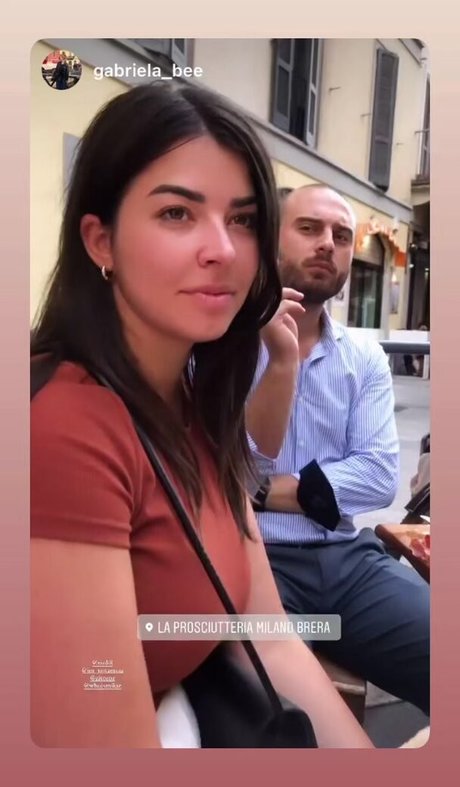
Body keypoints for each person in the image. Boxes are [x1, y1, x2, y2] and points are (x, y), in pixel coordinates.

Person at [30, 83, 373, 748]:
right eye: (177, 214)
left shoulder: (191, 398)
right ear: (101, 241)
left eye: (242, 220)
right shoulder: (65, 429)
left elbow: (269, 639)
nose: (223, 249)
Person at [247, 184, 430, 716]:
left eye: (342, 236)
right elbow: (214, 470)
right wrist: (290, 490)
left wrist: (260, 491)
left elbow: (377, 476)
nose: (328, 243)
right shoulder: (219, 345)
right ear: (269, 240)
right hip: (252, 558)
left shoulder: (364, 357)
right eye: (308, 228)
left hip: (348, 562)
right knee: (276, 708)